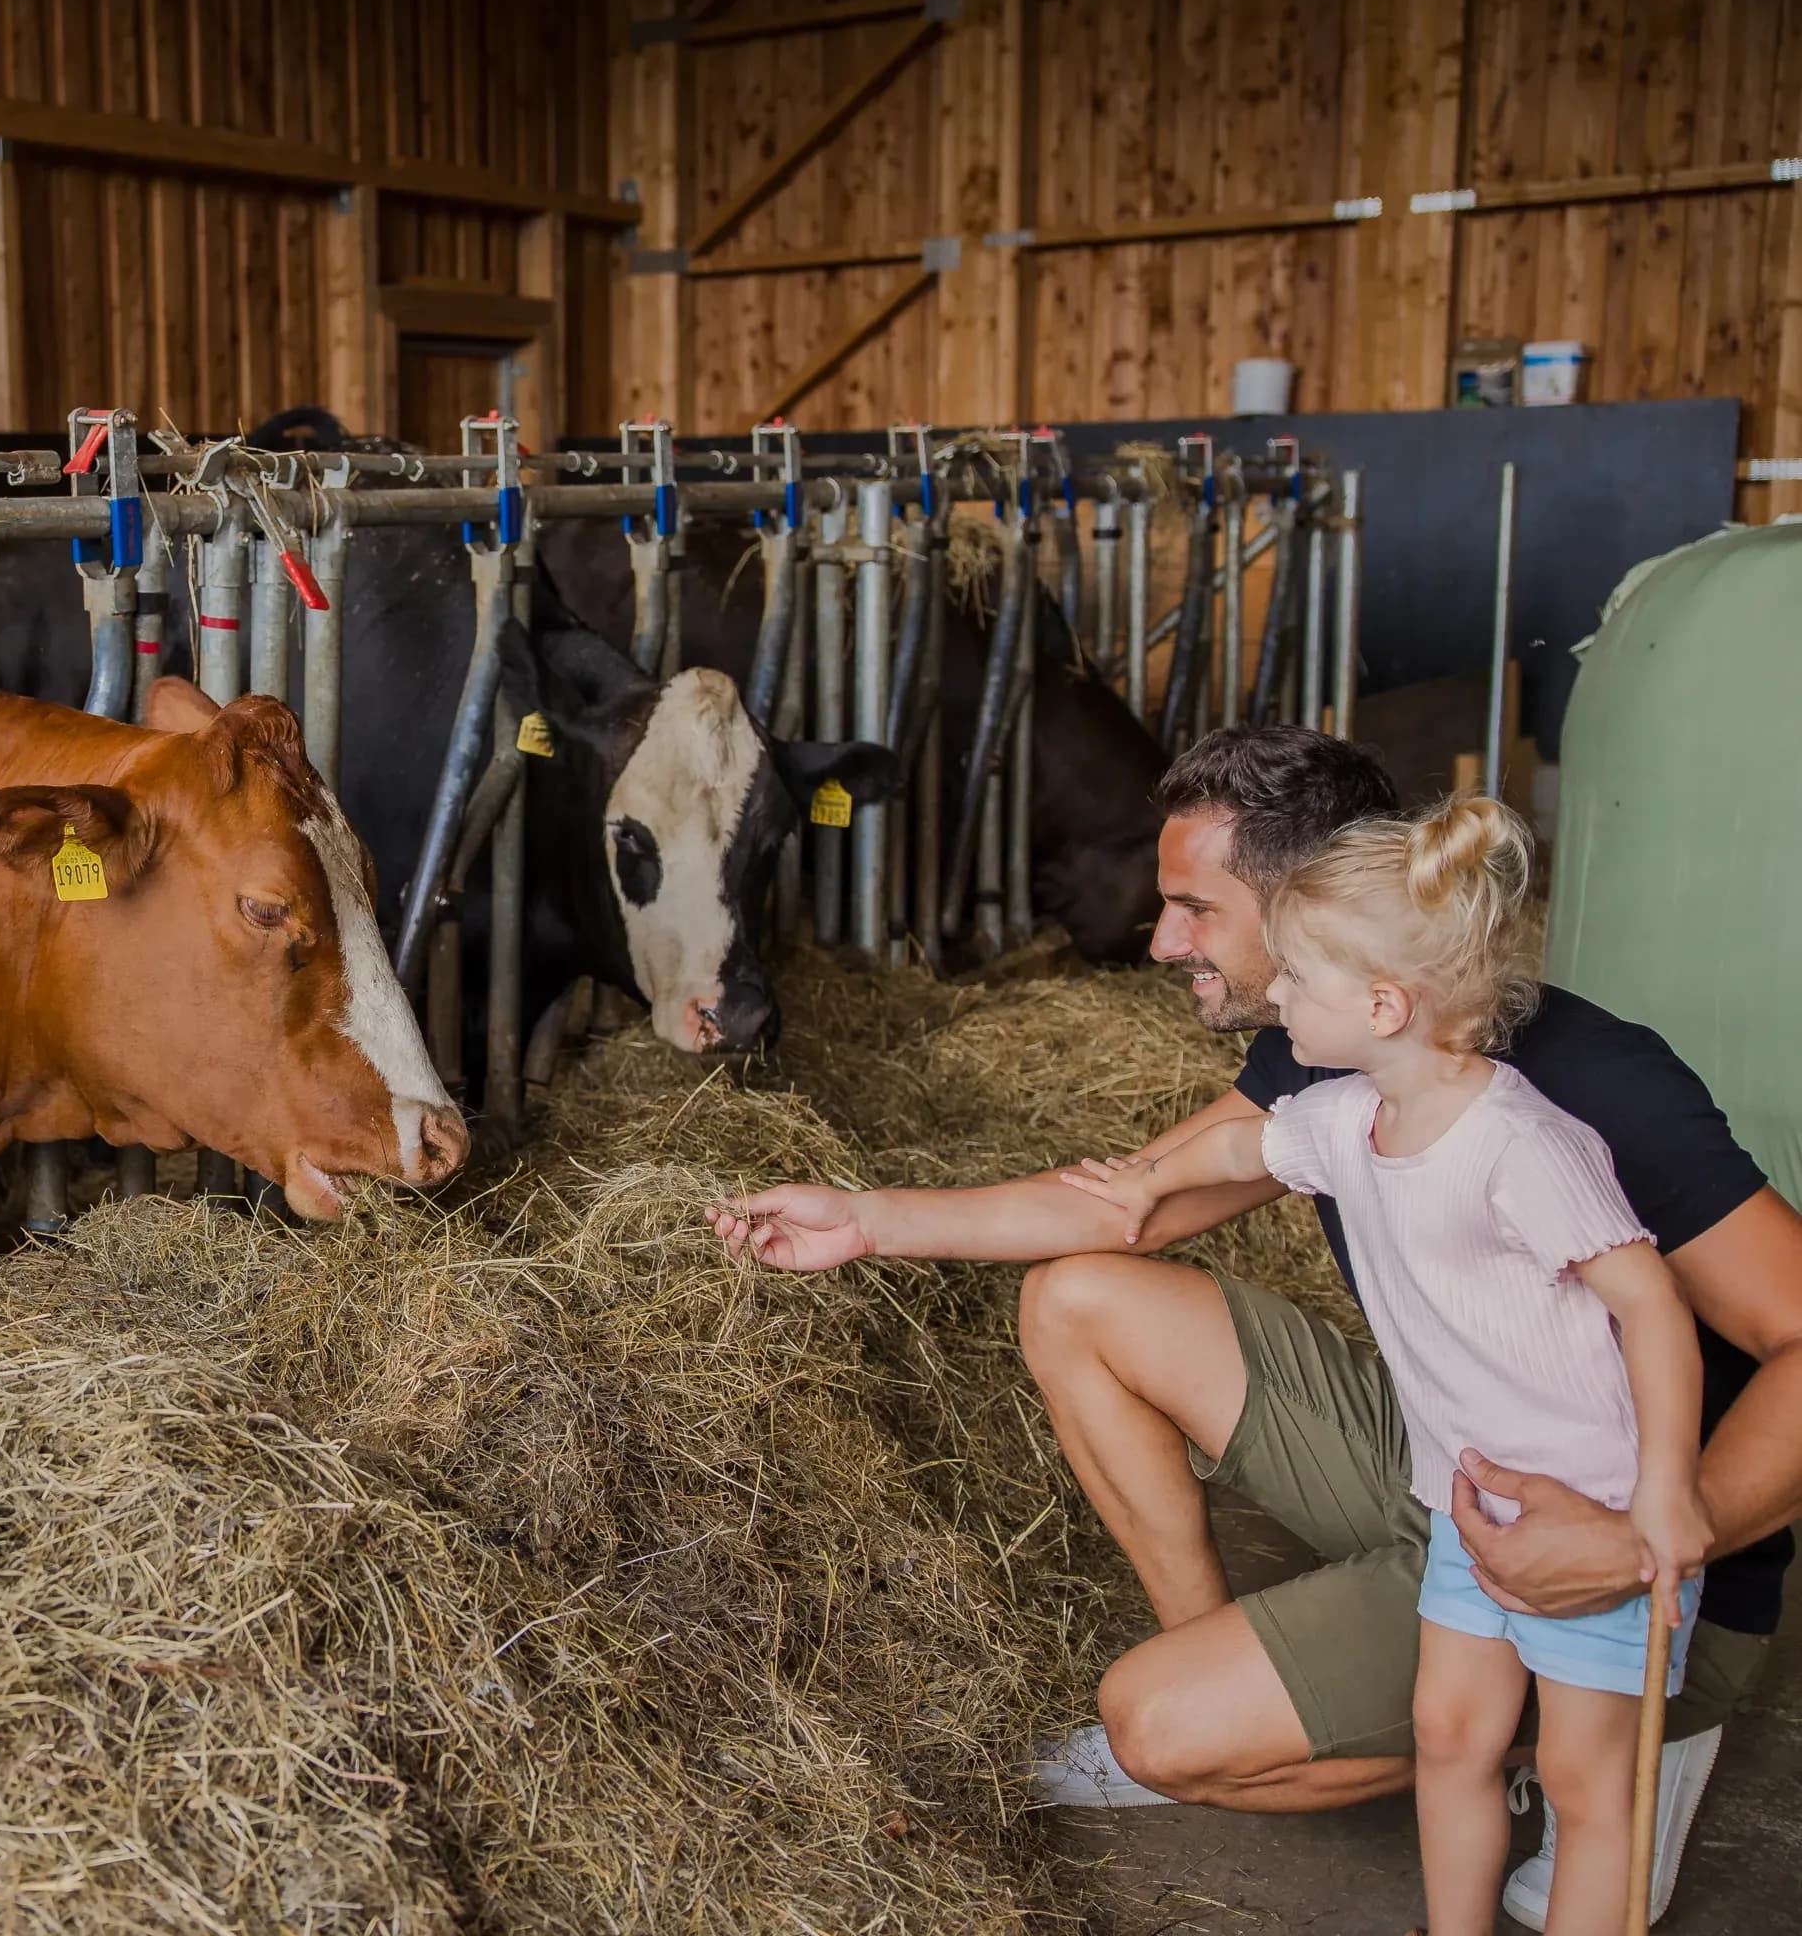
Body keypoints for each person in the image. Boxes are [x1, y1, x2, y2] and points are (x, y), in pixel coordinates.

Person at [708, 726, 1802, 1929]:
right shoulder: (1335, 1054)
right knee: (1079, 1295)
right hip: (1459, 1459)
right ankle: (1300, 1673)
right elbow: (1137, 1196)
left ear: (1319, 911)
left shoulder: (1592, 1093)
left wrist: (1650, 1535)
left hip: (1635, 1530)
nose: (1165, 938)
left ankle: (1630, 1749)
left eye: (1195, 907)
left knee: (1159, 1723)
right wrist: (865, 1218)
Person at [1059, 793, 1706, 1936]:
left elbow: (1651, 1306)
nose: (1279, 994)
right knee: (1451, 1732)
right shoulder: (1350, 1114)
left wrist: (1661, 1499)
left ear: (1384, 1003)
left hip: (1595, 1514)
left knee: (1584, 1781)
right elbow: (1237, 1141)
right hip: (1464, 1500)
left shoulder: (1526, 1147)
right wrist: (1149, 1179)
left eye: (1298, 975)